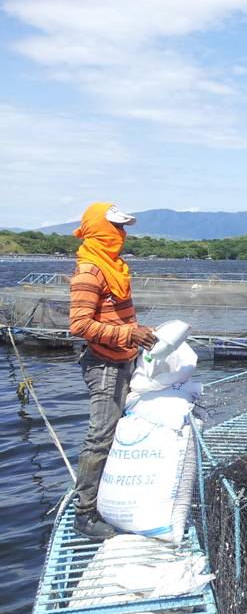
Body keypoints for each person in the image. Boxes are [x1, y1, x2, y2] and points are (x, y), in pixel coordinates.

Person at [69, 202, 157, 539]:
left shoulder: (114, 266)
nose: (121, 235)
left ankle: (107, 496)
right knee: (100, 436)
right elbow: (79, 325)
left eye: (123, 229)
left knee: (118, 430)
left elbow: (114, 314)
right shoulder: (90, 271)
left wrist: (135, 333)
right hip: (104, 365)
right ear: (99, 230)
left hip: (124, 359)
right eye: (115, 228)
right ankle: (84, 514)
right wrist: (128, 334)